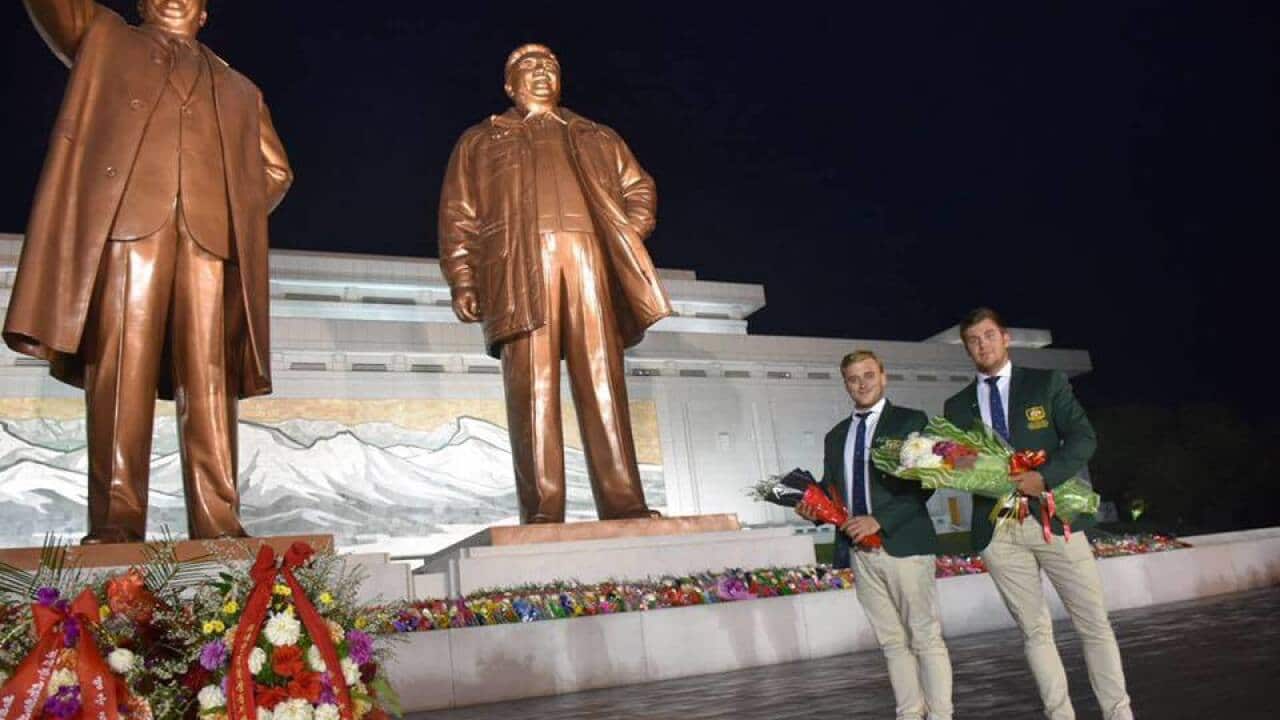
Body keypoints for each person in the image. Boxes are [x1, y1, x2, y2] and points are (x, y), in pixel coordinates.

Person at [3, 0, 293, 543]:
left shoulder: (239, 89)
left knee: (208, 381)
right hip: (129, 227)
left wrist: (233, 204)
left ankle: (218, 517)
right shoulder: (108, 41)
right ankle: (117, 516)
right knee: (121, 367)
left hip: (209, 241)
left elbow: (276, 170)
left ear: (205, 13)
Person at [438, 44, 670, 523]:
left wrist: (626, 231)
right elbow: (459, 216)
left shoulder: (595, 135)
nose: (541, 72)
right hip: (520, 269)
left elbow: (639, 187)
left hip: (589, 259)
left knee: (603, 382)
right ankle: (543, 510)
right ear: (509, 85)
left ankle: (624, 502)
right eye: (528, 67)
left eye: (550, 66)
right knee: (533, 389)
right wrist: (464, 278)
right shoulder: (482, 141)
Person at [943, 307, 1132, 720]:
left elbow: (1083, 438)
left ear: (1005, 338)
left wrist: (1043, 478)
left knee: (1094, 624)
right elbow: (959, 468)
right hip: (1000, 532)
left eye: (989, 335)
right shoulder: (956, 407)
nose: (982, 345)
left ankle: (1119, 713)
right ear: (966, 348)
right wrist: (951, 467)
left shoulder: (1046, 383)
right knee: (1034, 633)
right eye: (973, 340)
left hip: (1056, 521)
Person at [799, 350, 952, 720]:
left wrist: (878, 520)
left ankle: (942, 715)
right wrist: (811, 505)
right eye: (853, 378)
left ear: (883, 376)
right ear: (845, 384)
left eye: (868, 375)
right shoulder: (836, 436)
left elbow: (925, 483)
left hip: (904, 544)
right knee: (892, 643)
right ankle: (909, 713)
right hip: (860, 551)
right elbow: (832, 487)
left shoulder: (909, 421)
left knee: (924, 637)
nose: (862, 383)